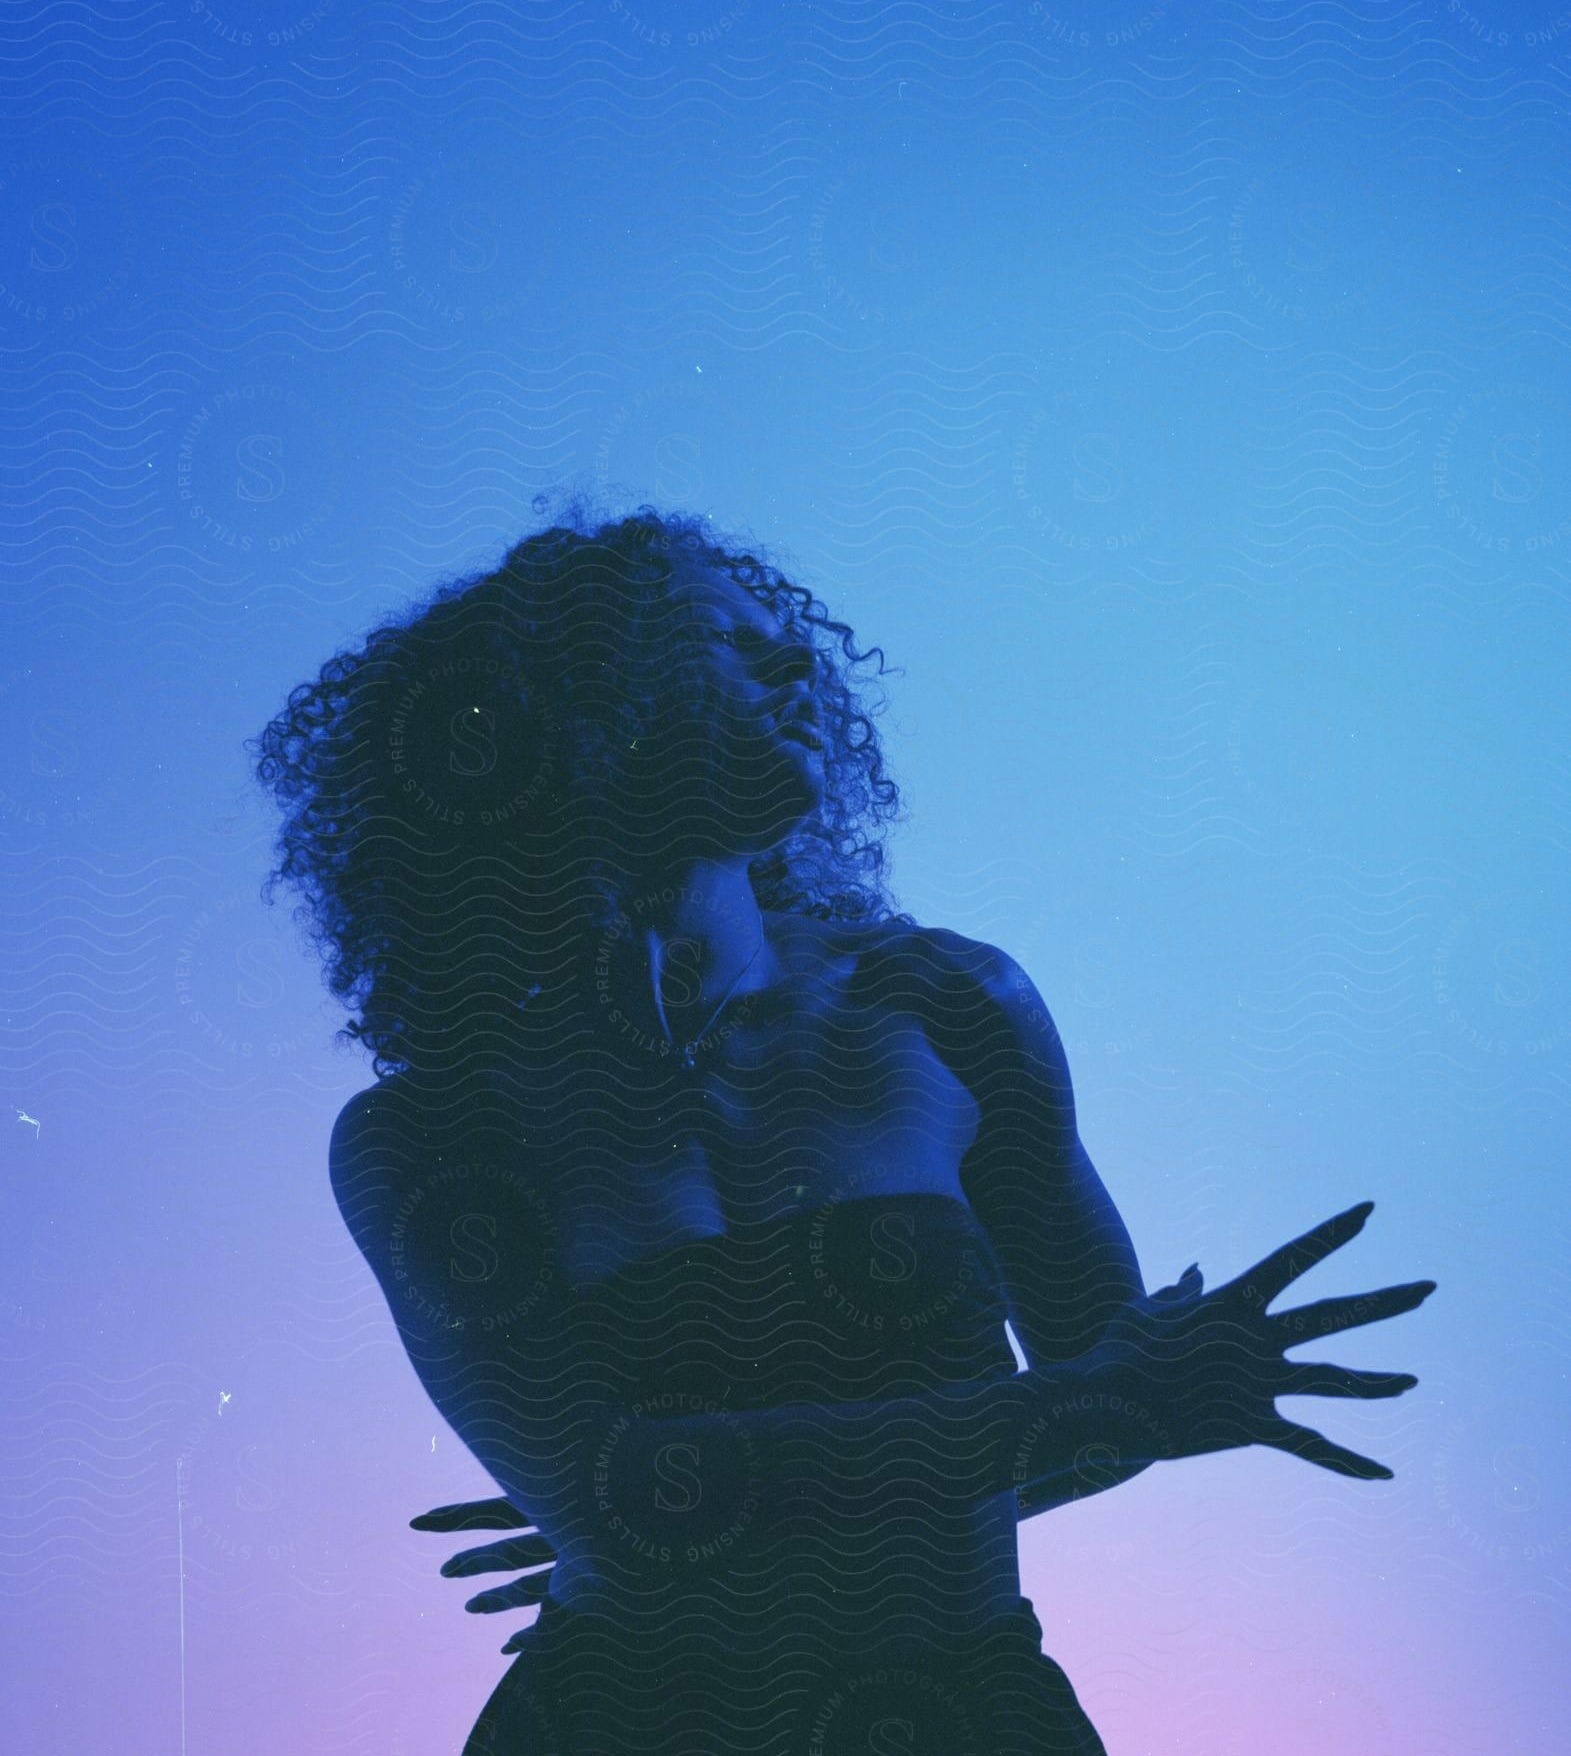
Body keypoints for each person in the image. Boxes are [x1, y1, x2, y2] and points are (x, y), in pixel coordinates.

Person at [253, 500, 1434, 1754]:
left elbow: (1105, 1419)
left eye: (790, 640)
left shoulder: (948, 1002)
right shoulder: (425, 1136)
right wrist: (653, 1501)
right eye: (724, 639)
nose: (793, 665)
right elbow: (621, 1504)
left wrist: (732, 1493)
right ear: (584, 703)